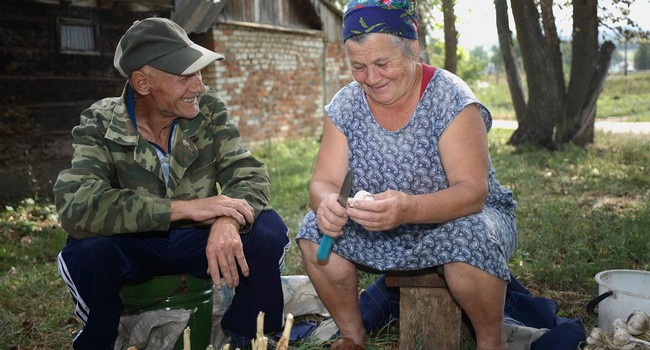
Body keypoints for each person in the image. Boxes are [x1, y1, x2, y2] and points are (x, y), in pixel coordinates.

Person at [54, 17, 290, 350]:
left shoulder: (208, 110)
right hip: (137, 246)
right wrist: (184, 209)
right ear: (143, 83)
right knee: (86, 249)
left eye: (199, 73)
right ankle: (101, 338)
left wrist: (226, 218)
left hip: (200, 242)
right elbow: (77, 204)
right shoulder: (100, 122)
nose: (199, 87)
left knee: (267, 229)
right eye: (185, 77)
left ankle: (251, 336)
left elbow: (248, 174)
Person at [296, 1, 517, 349]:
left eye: (383, 63)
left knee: (469, 237)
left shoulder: (451, 98)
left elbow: (472, 193)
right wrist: (326, 203)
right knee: (312, 229)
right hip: (381, 227)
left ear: (413, 48)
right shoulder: (345, 105)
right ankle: (353, 336)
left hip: (457, 220)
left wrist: (408, 209)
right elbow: (323, 181)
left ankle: (491, 341)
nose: (371, 78)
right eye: (358, 66)